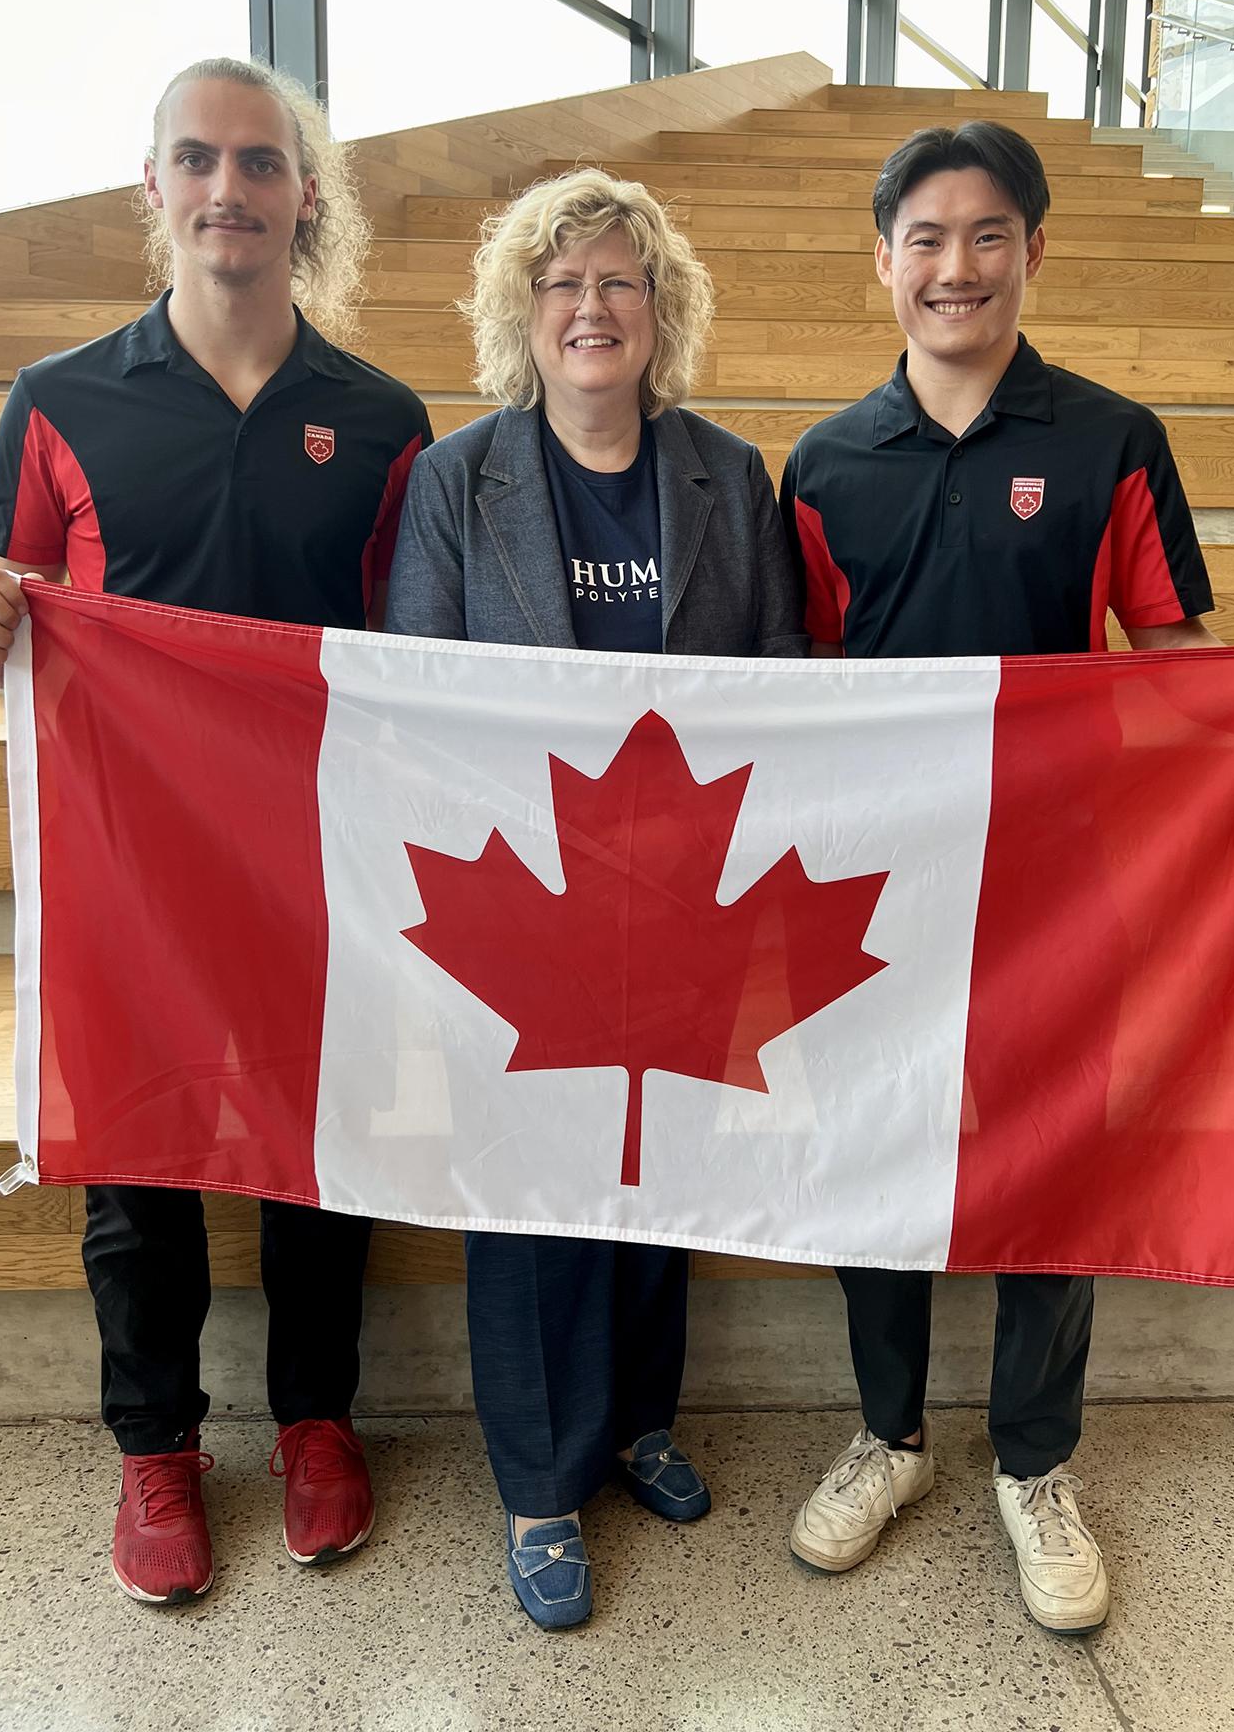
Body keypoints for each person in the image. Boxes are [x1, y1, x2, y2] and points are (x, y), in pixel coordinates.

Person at [779, 120, 1234, 1636]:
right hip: (874, 884)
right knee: (877, 1155)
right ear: (883, 262)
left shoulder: (1112, 439)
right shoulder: (827, 464)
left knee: (1064, 1157)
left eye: (987, 235)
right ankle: (890, 1434)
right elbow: (799, 693)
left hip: (1067, 883)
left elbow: (1176, 661)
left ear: (1035, 252)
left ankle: (1036, 1461)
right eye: (925, 238)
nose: (956, 266)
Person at [0, 57, 431, 1607]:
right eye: (199, 160)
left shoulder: (379, 420)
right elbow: (6, 603)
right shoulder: (60, 401)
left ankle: (315, 1421)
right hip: (129, 865)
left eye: (261, 163)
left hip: (317, 853)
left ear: (304, 197)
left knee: (320, 1155)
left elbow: (409, 647)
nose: (230, 188)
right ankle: (156, 1450)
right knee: (136, 1164)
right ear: (151, 190)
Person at [386, 168, 805, 1628]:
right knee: (530, 1198)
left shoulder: (727, 475)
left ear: (659, 306)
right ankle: (540, 1487)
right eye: (561, 283)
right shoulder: (459, 479)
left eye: (618, 279)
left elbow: (778, 683)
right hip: (526, 900)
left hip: (682, 898)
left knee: (655, 1170)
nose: (590, 306)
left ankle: (636, 1423)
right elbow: (419, 697)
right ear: (525, 310)